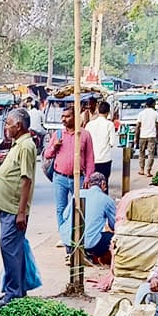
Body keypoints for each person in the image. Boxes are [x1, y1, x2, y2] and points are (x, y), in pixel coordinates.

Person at [0, 107, 38, 309]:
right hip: (8, 206)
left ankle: (13, 294)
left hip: (14, 208)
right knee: (12, 249)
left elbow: (26, 180)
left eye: (8, 123)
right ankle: (17, 291)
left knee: (9, 248)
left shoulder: (26, 146)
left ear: (18, 126)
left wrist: (21, 212)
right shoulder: (18, 145)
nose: (6, 127)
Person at [42, 104, 94, 251]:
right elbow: (47, 155)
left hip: (80, 178)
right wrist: (54, 147)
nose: (64, 119)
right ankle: (66, 242)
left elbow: (90, 158)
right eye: (62, 117)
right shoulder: (58, 135)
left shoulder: (84, 135)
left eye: (67, 116)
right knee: (61, 209)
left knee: (79, 209)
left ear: (75, 117)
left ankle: (79, 239)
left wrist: (89, 178)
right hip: (60, 178)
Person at [59, 172, 116, 267]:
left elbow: (65, 216)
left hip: (68, 241)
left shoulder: (78, 194)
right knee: (113, 238)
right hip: (90, 244)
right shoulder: (106, 200)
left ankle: (74, 253)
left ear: (89, 184)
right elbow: (114, 225)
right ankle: (88, 254)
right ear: (103, 184)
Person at [86, 100, 117, 183]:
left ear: (98, 110)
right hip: (104, 160)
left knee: (91, 184)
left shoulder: (89, 124)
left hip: (91, 160)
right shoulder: (110, 125)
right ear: (108, 112)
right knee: (104, 184)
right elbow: (112, 143)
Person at [137, 99, 158, 174]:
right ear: (153, 104)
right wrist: (157, 135)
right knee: (151, 154)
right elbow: (157, 126)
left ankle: (141, 169)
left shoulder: (141, 113)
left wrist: (136, 137)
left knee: (141, 153)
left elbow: (138, 126)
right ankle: (148, 171)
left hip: (142, 136)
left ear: (146, 104)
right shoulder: (155, 113)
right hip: (152, 136)